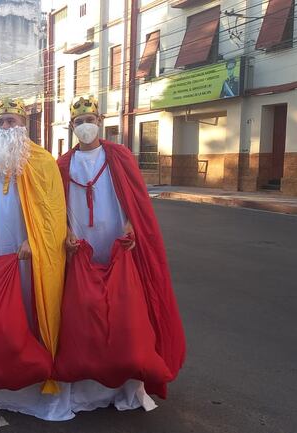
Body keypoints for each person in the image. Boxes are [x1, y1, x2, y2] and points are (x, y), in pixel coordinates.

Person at [56, 95, 186, 409]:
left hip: (118, 244)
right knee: (84, 313)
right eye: (79, 122)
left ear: (100, 121)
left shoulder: (119, 156)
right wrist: (66, 232)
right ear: (71, 126)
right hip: (81, 247)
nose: (85, 126)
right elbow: (56, 206)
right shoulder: (62, 164)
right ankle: (86, 385)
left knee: (123, 314)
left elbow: (135, 201)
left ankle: (125, 385)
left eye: (89, 120)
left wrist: (130, 225)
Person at [0, 98, 71, 421]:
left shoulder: (43, 161)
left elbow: (54, 211)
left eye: (12, 121)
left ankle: (31, 376)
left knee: (29, 306)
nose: (6, 127)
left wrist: (35, 240)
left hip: (28, 255)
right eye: (1, 122)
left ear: (24, 125)